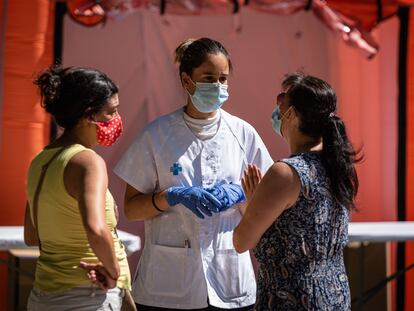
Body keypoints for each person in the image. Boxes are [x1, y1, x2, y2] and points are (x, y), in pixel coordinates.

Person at [114, 37, 274, 310]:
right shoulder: (157, 135)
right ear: (186, 81)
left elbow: (267, 207)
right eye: (209, 78)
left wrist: (242, 194)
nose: (218, 86)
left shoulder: (243, 134)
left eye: (223, 79)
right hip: (167, 286)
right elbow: (131, 208)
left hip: (230, 281)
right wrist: (171, 197)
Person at [234, 72, 361, 310]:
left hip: (293, 298)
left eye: (281, 102)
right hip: (334, 294)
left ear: (291, 114)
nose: (277, 111)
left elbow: (241, 241)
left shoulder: (285, 173)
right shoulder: (338, 165)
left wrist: (251, 205)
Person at [24, 65, 131, 310]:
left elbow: (31, 235)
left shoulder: (40, 161)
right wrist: (113, 273)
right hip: (88, 296)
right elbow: (95, 228)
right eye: (111, 112)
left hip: (44, 294)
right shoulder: (88, 161)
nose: (115, 120)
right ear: (88, 114)